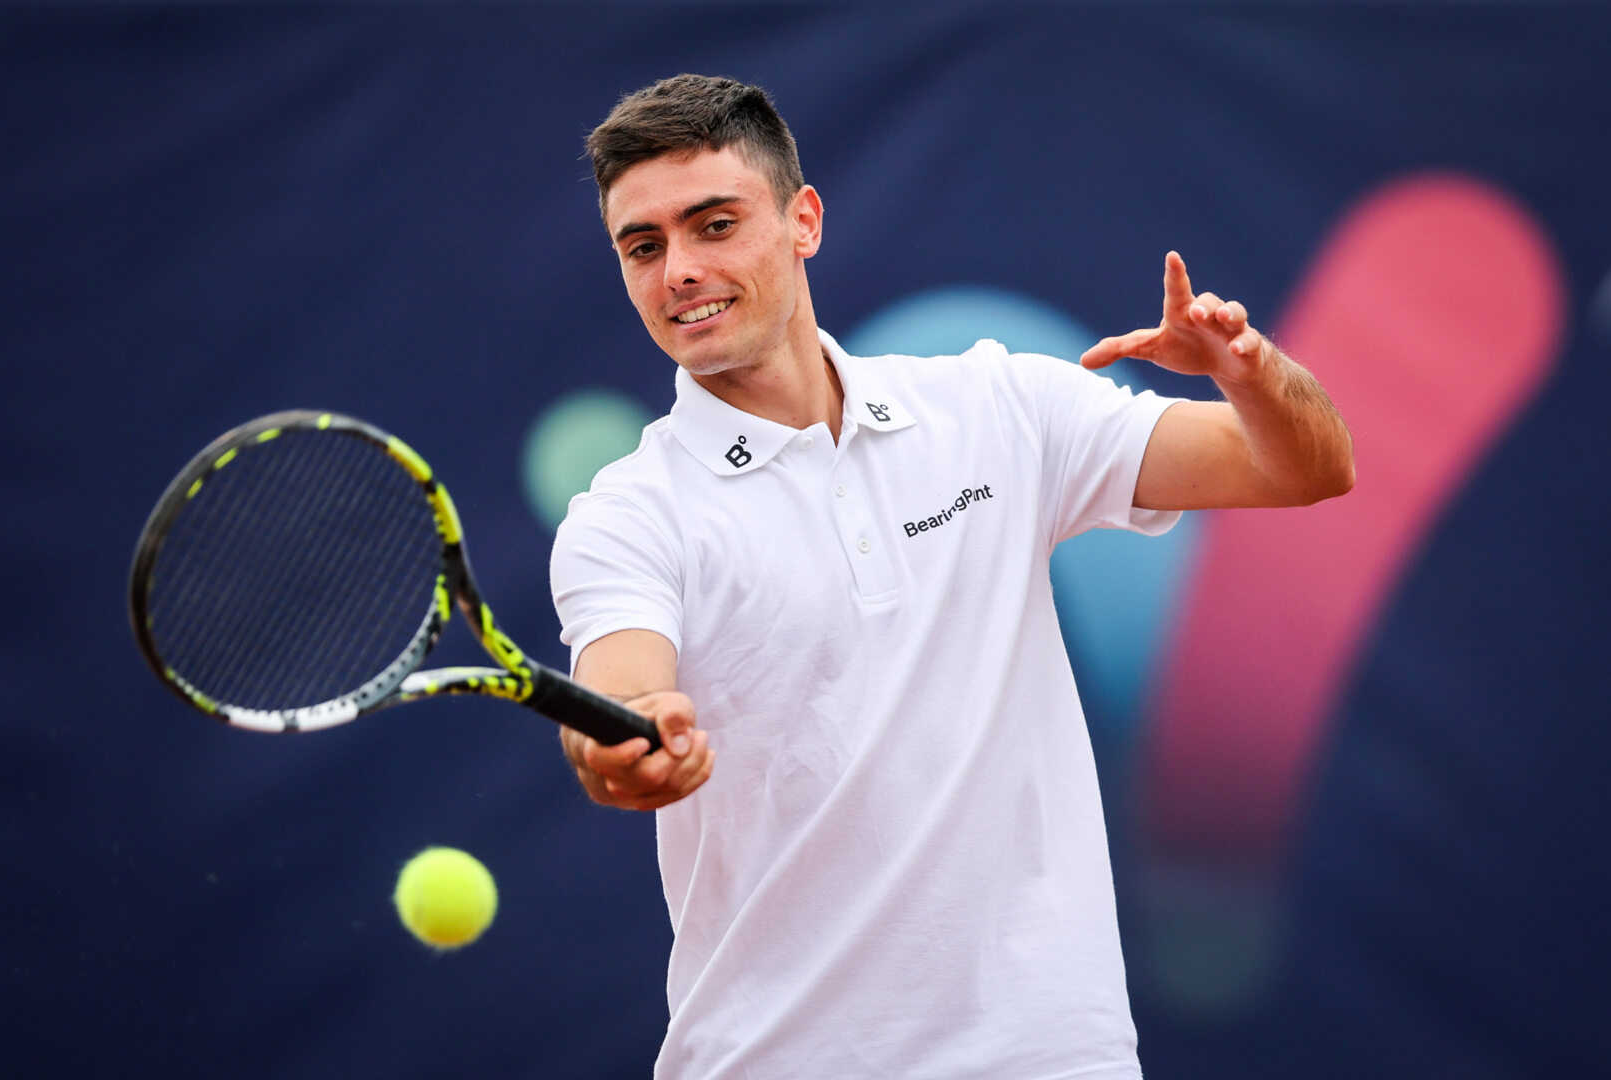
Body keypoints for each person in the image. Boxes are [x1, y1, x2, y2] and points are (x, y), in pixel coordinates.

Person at [550, 74, 1353, 1079]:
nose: (680, 270)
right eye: (644, 246)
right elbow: (619, 698)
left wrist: (1249, 371)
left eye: (715, 225)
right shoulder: (627, 517)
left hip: (1054, 1057)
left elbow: (1310, 470)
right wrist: (626, 743)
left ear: (804, 221)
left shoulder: (998, 407)